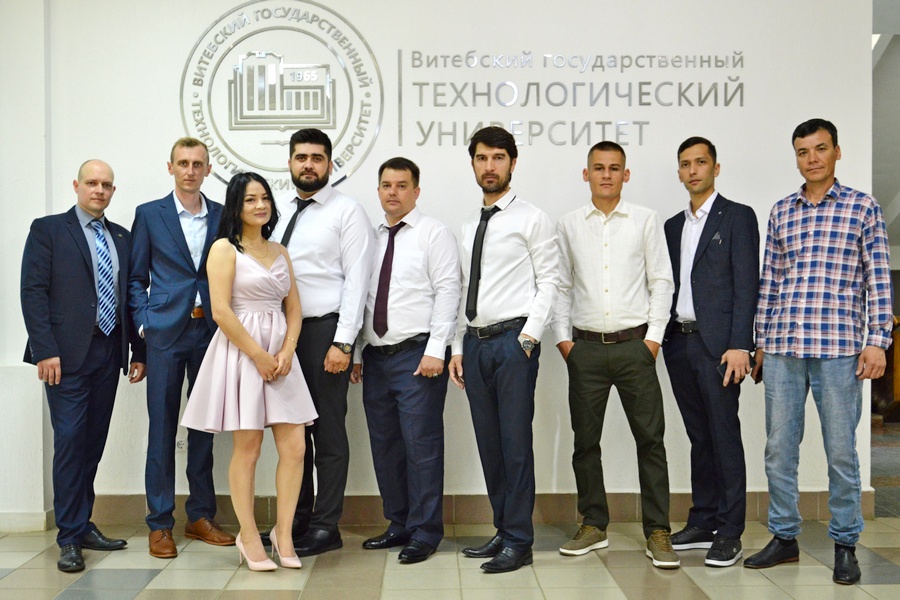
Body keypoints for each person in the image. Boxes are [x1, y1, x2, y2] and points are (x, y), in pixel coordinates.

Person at [744, 118, 892, 585]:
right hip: (783, 348)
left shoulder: (862, 207)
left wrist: (878, 341)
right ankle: (784, 537)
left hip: (839, 349)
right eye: (803, 151)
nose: (812, 158)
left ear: (837, 152)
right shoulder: (781, 211)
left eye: (820, 148)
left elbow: (878, 279)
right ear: (797, 157)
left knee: (842, 452)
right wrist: (761, 342)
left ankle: (845, 543)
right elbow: (770, 281)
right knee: (779, 449)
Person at [180, 172, 317, 570]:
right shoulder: (224, 249)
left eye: (265, 198)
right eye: (250, 199)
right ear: (236, 207)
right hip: (243, 352)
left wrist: (287, 350)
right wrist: (258, 355)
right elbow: (221, 311)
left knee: (295, 446)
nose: (260, 205)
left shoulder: (280, 250)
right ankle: (249, 535)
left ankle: (283, 533)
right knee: (249, 448)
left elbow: (294, 308)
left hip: (281, 355)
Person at [552, 141, 678, 569]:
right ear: (585, 174)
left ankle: (658, 530)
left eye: (614, 168)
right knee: (585, 442)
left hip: (635, 349)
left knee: (651, 441)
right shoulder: (569, 224)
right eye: (598, 167)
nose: (606, 174)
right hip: (584, 350)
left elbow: (661, 281)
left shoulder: (645, 220)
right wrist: (564, 341)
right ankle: (594, 524)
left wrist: (653, 340)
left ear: (626, 174)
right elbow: (561, 286)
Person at [21, 160, 146, 572]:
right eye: (92, 183)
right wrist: (44, 350)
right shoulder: (48, 230)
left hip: (109, 352)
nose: (99, 190)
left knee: (92, 443)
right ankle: (69, 537)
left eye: (106, 185)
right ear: (76, 185)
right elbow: (33, 291)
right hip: (64, 356)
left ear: (113, 191)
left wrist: (139, 352)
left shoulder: (122, 237)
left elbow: (128, 297)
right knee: (71, 442)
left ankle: (82, 522)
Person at [448, 126, 558, 573]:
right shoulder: (469, 223)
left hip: (513, 343)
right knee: (490, 445)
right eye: (481, 158)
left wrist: (527, 340)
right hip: (475, 346)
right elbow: (464, 289)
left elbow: (550, 281)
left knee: (515, 445)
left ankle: (520, 539)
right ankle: (502, 528)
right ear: (473, 164)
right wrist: (457, 345)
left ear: (513, 162)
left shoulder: (532, 218)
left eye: (497, 158)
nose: (489, 166)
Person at [350, 157, 460, 564]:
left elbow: (449, 291)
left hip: (418, 355)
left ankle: (425, 531)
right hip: (376, 358)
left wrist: (436, 349)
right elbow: (360, 296)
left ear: (416, 191)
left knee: (421, 447)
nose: (393, 192)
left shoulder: (434, 233)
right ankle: (398, 522)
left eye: (401, 185)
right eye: (386, 185)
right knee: (386, 446)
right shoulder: (369, 237)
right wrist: (357, 351)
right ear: (378, 190)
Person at [269, 128, 373, 556]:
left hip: (324, 333)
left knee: (328, 433)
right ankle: (297, 520)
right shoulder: (277, 211)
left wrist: (344, 343)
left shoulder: (347, 211)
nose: (308, 165)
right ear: (290, 163)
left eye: (316, 158)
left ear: (330, 164)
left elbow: (358, 281)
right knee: (294, 433)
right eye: (301, 157)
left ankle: (326, 526)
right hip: (284, 336)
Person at [129, 138, 235, 558]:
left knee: (204, 428)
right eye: (183, 163)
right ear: (170, 167)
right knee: (162, 428)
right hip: (165, 334)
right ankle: (159, 523)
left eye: (198, 164)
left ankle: (200, 516)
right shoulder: (149, 214)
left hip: (210, 331)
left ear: (208, 169)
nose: (190, 170)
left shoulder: (223, 216)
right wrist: (145, 322)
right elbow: (135, 278)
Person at [661, 137, 759, 567]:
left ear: (715, 168)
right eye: (686, 164)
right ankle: (703, 519)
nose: (693, 170)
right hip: (679, 342)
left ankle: (730, 530)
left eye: (701, 162)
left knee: (723, 435)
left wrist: (741, 344)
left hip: (720, 348)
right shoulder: (672, 226)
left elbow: (747, 284)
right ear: (679, 172)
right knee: (698, 436)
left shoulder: (737, 216)